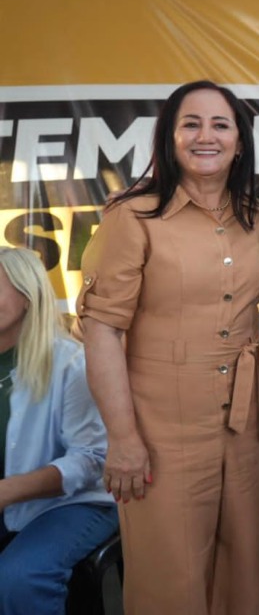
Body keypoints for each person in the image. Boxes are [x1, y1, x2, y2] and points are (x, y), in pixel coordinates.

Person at [78, 80, 259, 614]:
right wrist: (123, 438)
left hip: (244, 425)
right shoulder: (132, 218)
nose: (207, 136)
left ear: (240, 142)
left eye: (221, 125)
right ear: (169, 139)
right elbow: (102, 330)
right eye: (191, 124)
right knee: (169, 578)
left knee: (244, 572)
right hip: (159, 430)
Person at [0, 247, 117, 614]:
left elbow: (92, 460)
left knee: (20, 576)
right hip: (9, 503)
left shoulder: (71, 364)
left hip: (76, 503)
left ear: (27, 295)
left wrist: (7, 490)